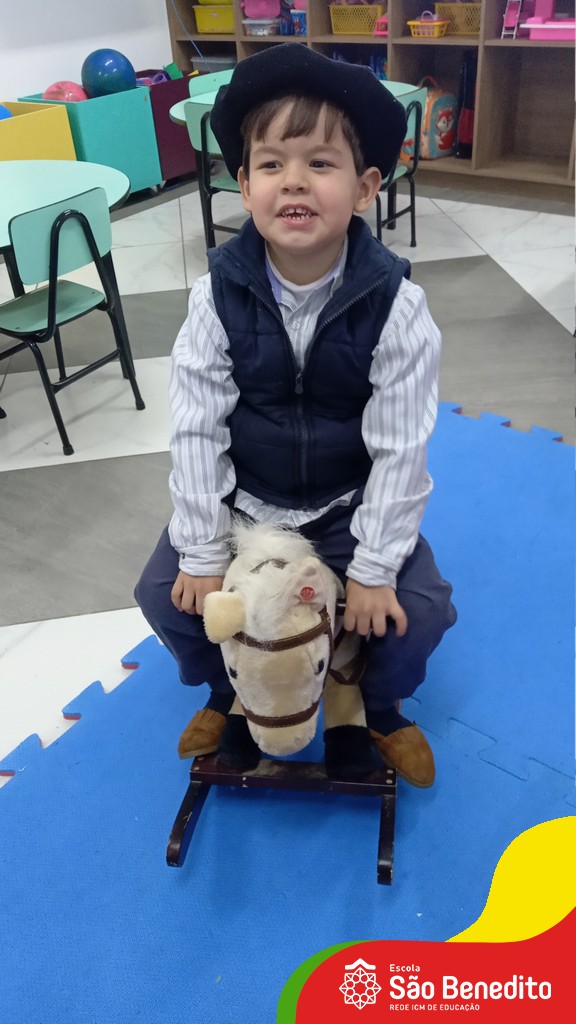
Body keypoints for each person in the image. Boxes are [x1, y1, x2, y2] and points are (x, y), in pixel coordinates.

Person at [135, 45, 456, 788]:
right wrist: (201, 549)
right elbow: (196, 429)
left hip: (345, 505)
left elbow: (402, 449)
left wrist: (373, 570)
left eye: (320, 163)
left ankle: (375, 703)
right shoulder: (215, 297)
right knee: (164, 595)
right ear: (245, 186)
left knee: (421, 609)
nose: (295, 181)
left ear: (365, 187)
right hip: (248, 503)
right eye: (272, 164)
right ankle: (231, 690)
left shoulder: (398, 307)